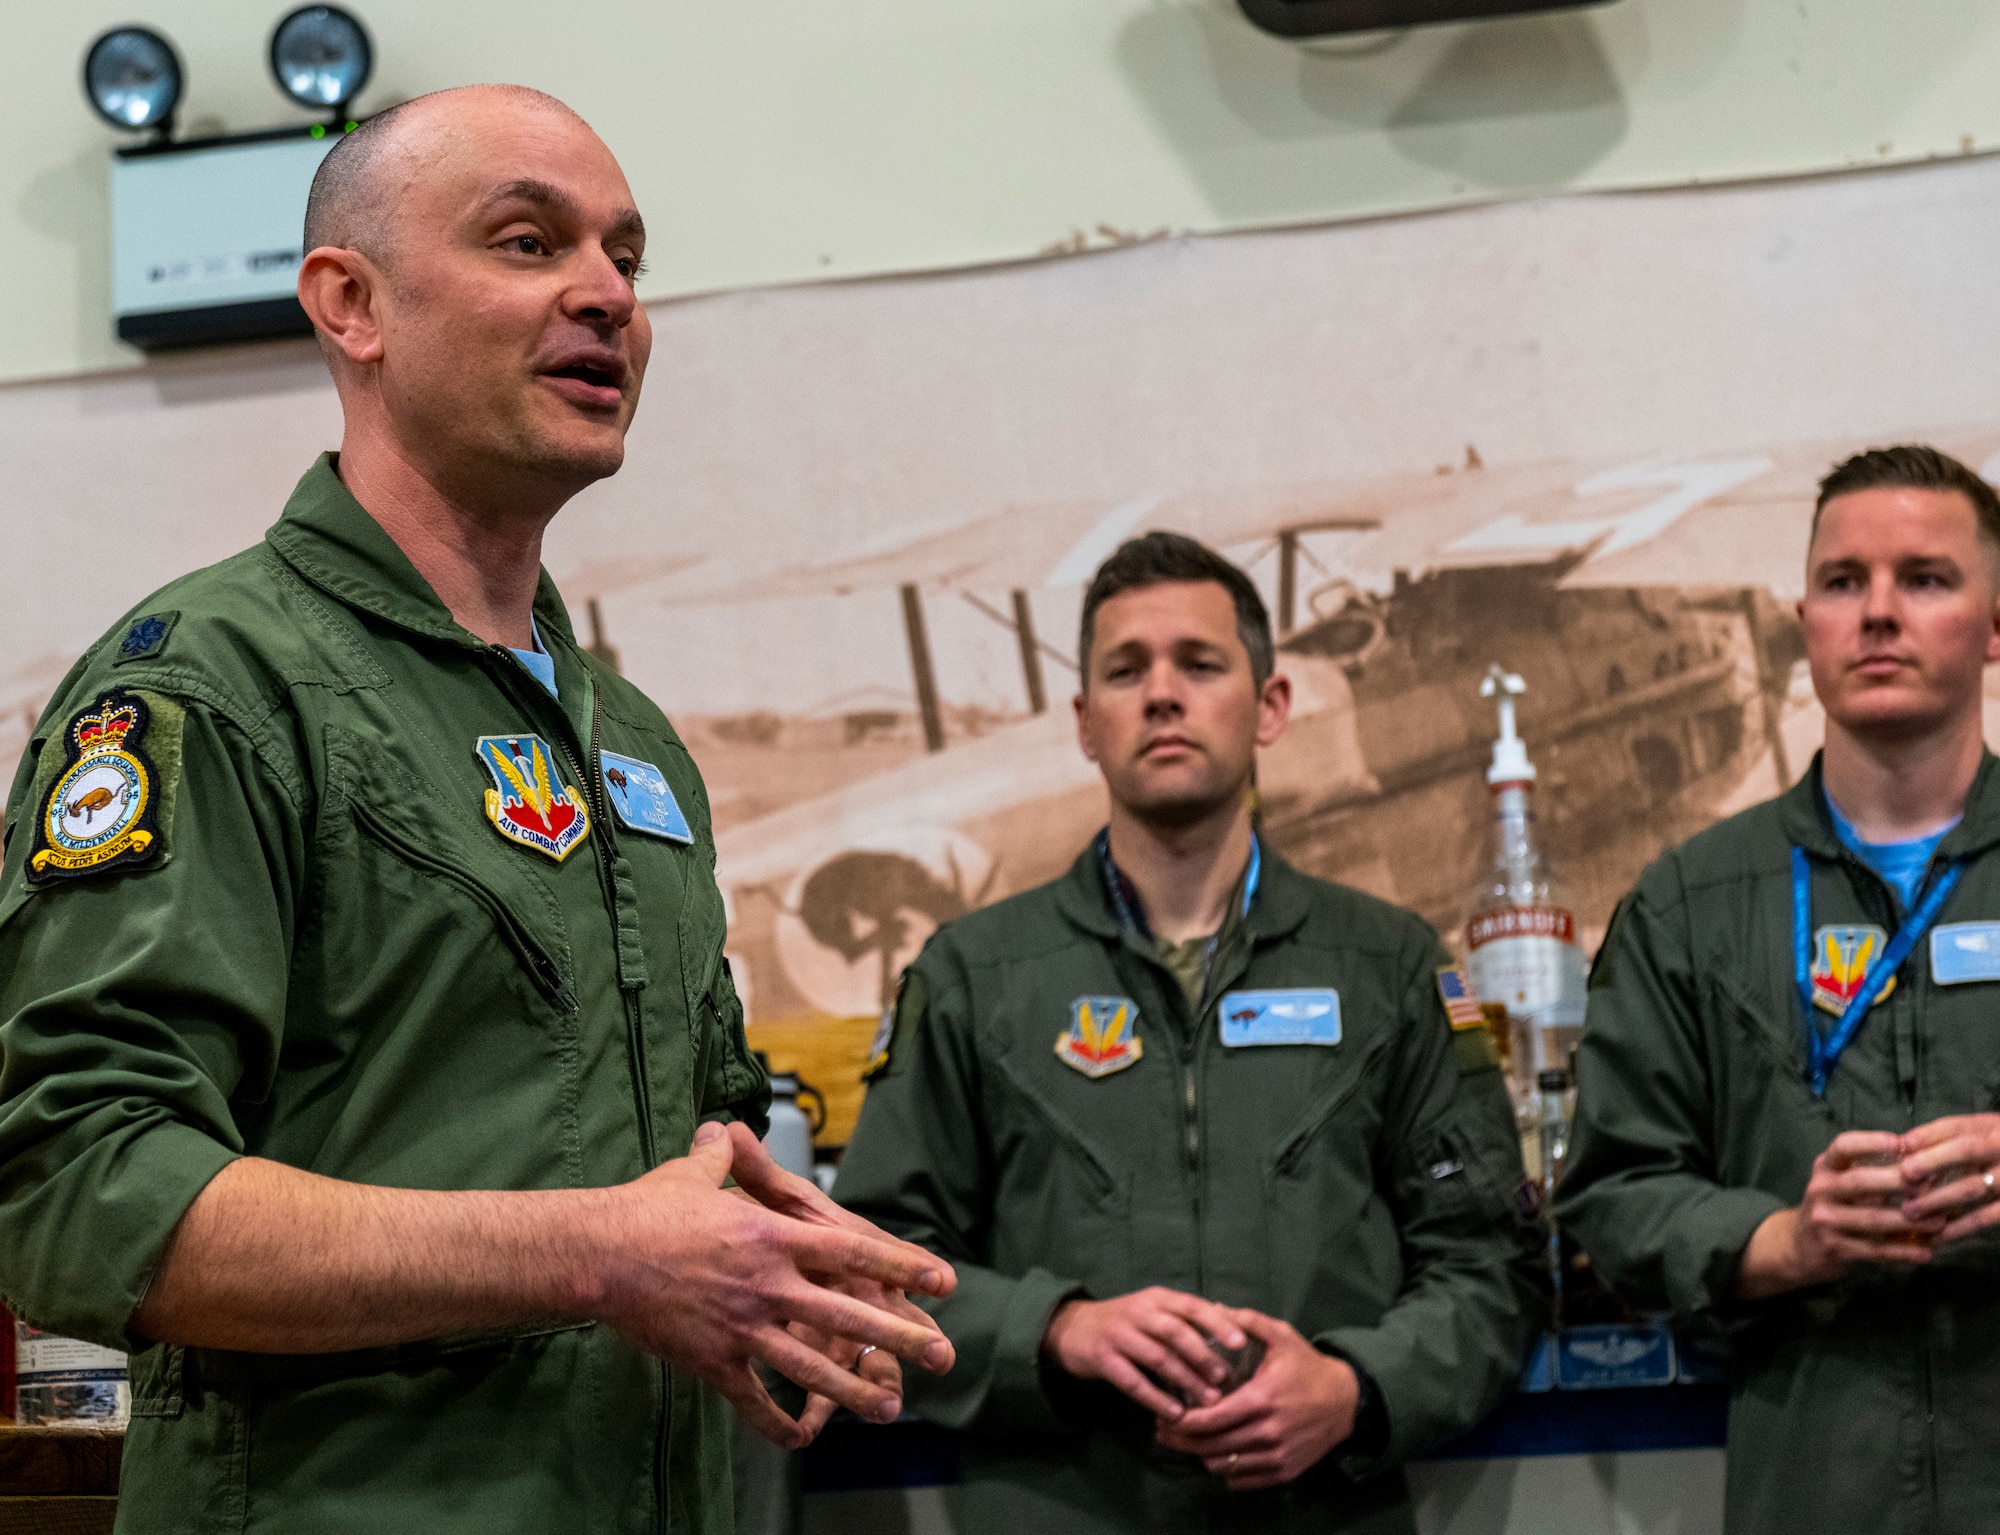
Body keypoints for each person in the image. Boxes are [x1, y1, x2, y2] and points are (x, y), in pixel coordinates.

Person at [0, 86, 954, 1533]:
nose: (606, 296)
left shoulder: (626, 738)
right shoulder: (210, 683)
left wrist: (763, 1264)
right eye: (528, 241)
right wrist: (602, 1255)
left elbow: (669, 1158)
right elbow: (77, 1188)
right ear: (351, 304)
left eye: (628, 258)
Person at [835, 532, 1547, 1534]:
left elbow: (1490, 1261)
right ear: (1084, 723)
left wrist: (1355, 1387)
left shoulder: (1384, 963)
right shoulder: (971, 975)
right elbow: (869, 1264)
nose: (1161, 694)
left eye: (1199, 663)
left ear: (1270, 705)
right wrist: (1056, 1328)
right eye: (1124, 670)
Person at [1557, 444, 2000, 1534]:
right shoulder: (1689, 902)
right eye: (1842, 581)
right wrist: (1783, 1241)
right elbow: (1612, 1194)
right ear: (1802, 619)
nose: (1877, 613)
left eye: (1925, 579)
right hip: (1816, 1485)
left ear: (1994, 627)